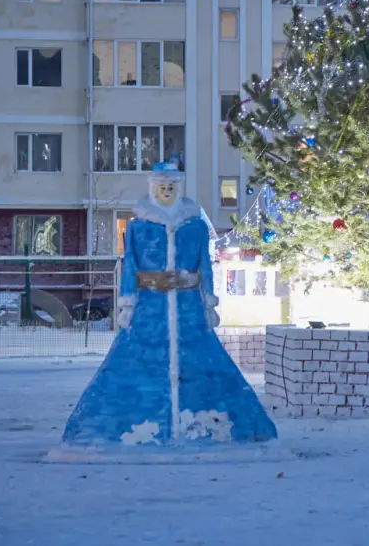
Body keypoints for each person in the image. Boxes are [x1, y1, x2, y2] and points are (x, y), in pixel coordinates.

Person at [61, 162, 277, 448]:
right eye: (162, 187)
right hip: (150, 310)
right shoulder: (139, 227)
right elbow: (130, 267)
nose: (166, 191)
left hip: (189, 309)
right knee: (133, 363)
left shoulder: (196, 226)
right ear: (153, 188)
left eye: (171, 187)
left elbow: (205, 266)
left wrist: (208, 299)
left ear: (179, 188)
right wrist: (128, 302)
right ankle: (127, 429)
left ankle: (216, 427)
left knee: (204, 361)